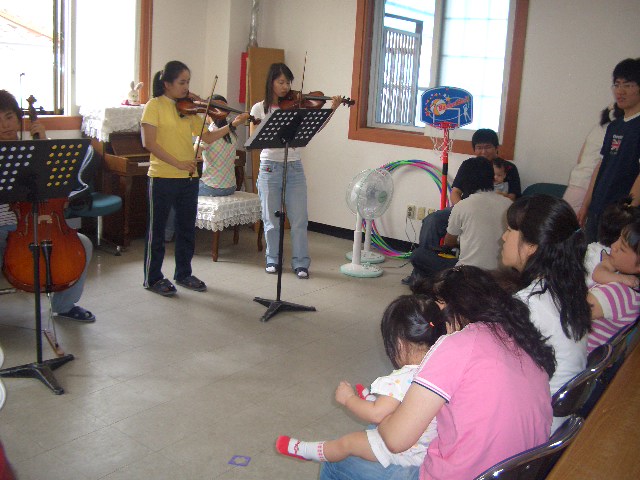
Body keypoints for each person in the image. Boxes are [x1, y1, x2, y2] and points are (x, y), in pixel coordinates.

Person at [320, 266, 555, 480]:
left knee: (338, 461)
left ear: (452, 309)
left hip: (466, 474)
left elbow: (394, 440)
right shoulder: (519, 336)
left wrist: (380, 411)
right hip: (521, 472)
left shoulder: (456, 345)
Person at [275, 295, 446, 468]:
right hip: (427, 446)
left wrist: (349, 399)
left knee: (348, 443)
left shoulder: (401, 379)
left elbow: (376, 415)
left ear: (399, 343)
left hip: (405, 451)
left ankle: (305, 450)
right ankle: (373, 401)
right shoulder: (441, 368)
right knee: (383, 408)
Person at [0, 89, 95, 322]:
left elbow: (62, 182)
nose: (5, 125)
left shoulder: (36, 151)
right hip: (3, 227)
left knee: (83, 244)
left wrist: (44, 142)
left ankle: (64, 306)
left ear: (19, 119)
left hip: (36, 222)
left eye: (9, 117)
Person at [141, 60, 234, 296]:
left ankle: (183, 273)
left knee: (186, 230)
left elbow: (207, 137)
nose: (186, 87)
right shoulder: (154, 105)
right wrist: (177, 163)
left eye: (188, 82)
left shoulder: (188, 108)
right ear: (167, 84)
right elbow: (148, 142)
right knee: (157, 231)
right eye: (182, 82)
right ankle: (153, 278)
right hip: (162, 176)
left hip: (189, 178)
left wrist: (232, 125)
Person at [501, 194, 591, 432]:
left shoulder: (527, 306)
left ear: (532, 247)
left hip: (533, 429)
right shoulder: (565, 289)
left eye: (509, 230)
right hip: (555, 420)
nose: (503, 237)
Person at [249, 63, 343, 279]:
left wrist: (332, 110)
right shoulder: (259, 108)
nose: (285, 87)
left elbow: (314, 128)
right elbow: (254, 139)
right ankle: (272, 259)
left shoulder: (298, 107)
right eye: (281, 82)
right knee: (271, 219)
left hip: (294, 167)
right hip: (270, 167)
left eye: (288, 82)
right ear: (271, 82)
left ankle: (301, 263)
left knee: (299, 219)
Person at [407, 128, 520, 284]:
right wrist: (463, 210)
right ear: (474, 149)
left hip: (489, 210)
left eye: (487, 147)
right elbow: (455, 192)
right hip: (465, 207)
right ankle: (420, 277)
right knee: (432, 220)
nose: (483, 151)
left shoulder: (508, 168)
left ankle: (439, 272)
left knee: (421, 254)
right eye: (479, 148)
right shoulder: (469, 166)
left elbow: (514, 197)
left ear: (496, 148)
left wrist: (468, 210)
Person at [163, 94, 249, 241]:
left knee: (175, 194)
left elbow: (194, 155)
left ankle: (167, 234)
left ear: (209, 113)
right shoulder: (232, 134)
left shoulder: (209, 133)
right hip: (230, 186)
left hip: (213, 187)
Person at [578, 58, 640, 242]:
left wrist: (626, 212)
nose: (620, 91)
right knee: (590, 255)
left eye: (628, 85)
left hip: (620, 217)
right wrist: (586, 205)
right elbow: (601, 166)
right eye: (617, 84)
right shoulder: (615, 126)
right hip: (598, 210)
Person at [587, 220, 640, 353]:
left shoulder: (620, 294)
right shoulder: (624, 281)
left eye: (622, 248)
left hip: (572, 354)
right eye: (618, 239)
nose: (613, 246)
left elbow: (572, 312)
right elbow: (598, 274)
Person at [563, 104, 622, 213]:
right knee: (568, 220)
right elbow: (608, 164)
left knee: (566, 218)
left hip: (578, 181)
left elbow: (580, 158)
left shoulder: (598, 127)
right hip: (589, 184)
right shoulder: (616, 132)